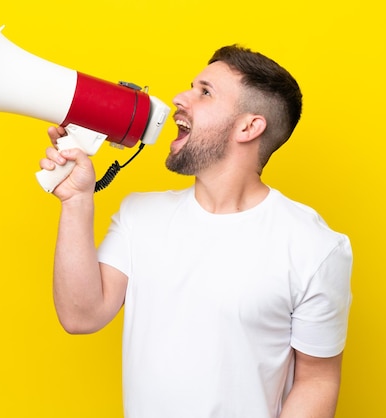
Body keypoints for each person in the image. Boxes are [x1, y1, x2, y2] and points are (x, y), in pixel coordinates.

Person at [40, 44, 353, 418]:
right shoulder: (140, 216)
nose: (179, 98)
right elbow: (81, 316)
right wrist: (76, 201)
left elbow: (317, 380)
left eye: (205, 92)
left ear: (249, 126)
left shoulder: (314, 247)